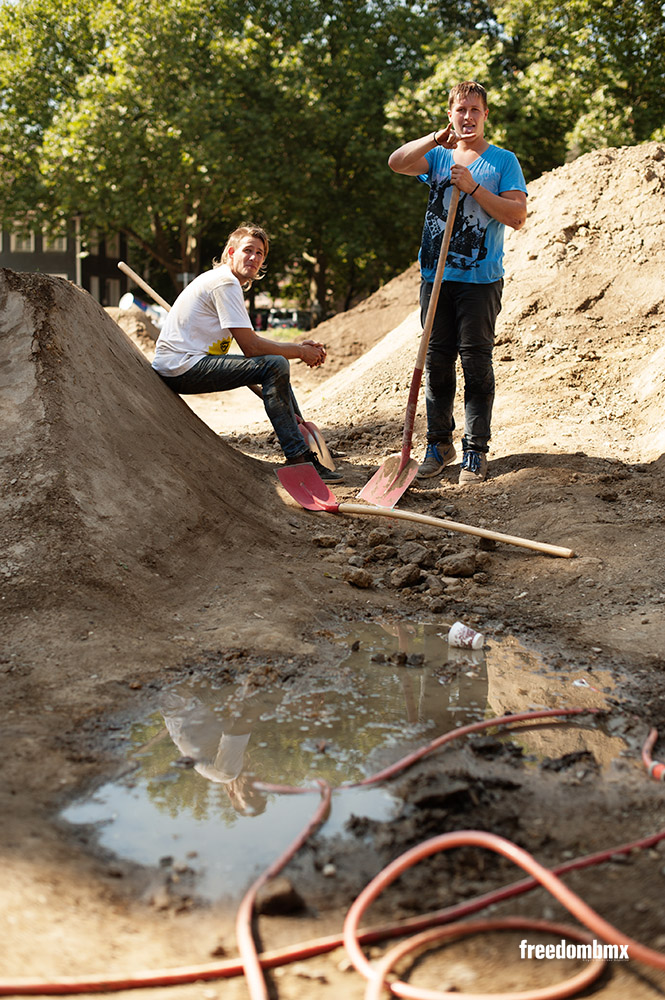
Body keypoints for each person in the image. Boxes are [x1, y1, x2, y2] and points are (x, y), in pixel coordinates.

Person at [388, 81, 527, 483]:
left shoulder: (503, 162)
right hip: (436, 277)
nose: (467, 117)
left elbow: (517, 217)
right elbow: (396, 162)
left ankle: (475, 450)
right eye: (460, 110)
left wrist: (475, 188)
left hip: (479, 280)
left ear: (486, 116)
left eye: (475, 111)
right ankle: (438, 444)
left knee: (476, 361)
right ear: (450, 114)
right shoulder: (437, 158)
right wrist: (436, 138)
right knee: (436, 362)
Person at [151, 223, 342, 483]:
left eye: (260, 253)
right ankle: (298, 458)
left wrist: (297, 348)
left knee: (275, 366)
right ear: (231, 252)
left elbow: (252, 346)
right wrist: (299, 351)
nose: (253, 258)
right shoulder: (224, 283)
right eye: (247, 250)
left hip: (191, 362)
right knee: (275, 365)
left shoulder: (226, 282)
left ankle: (303, 442)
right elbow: (251, 348)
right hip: (181, 367)